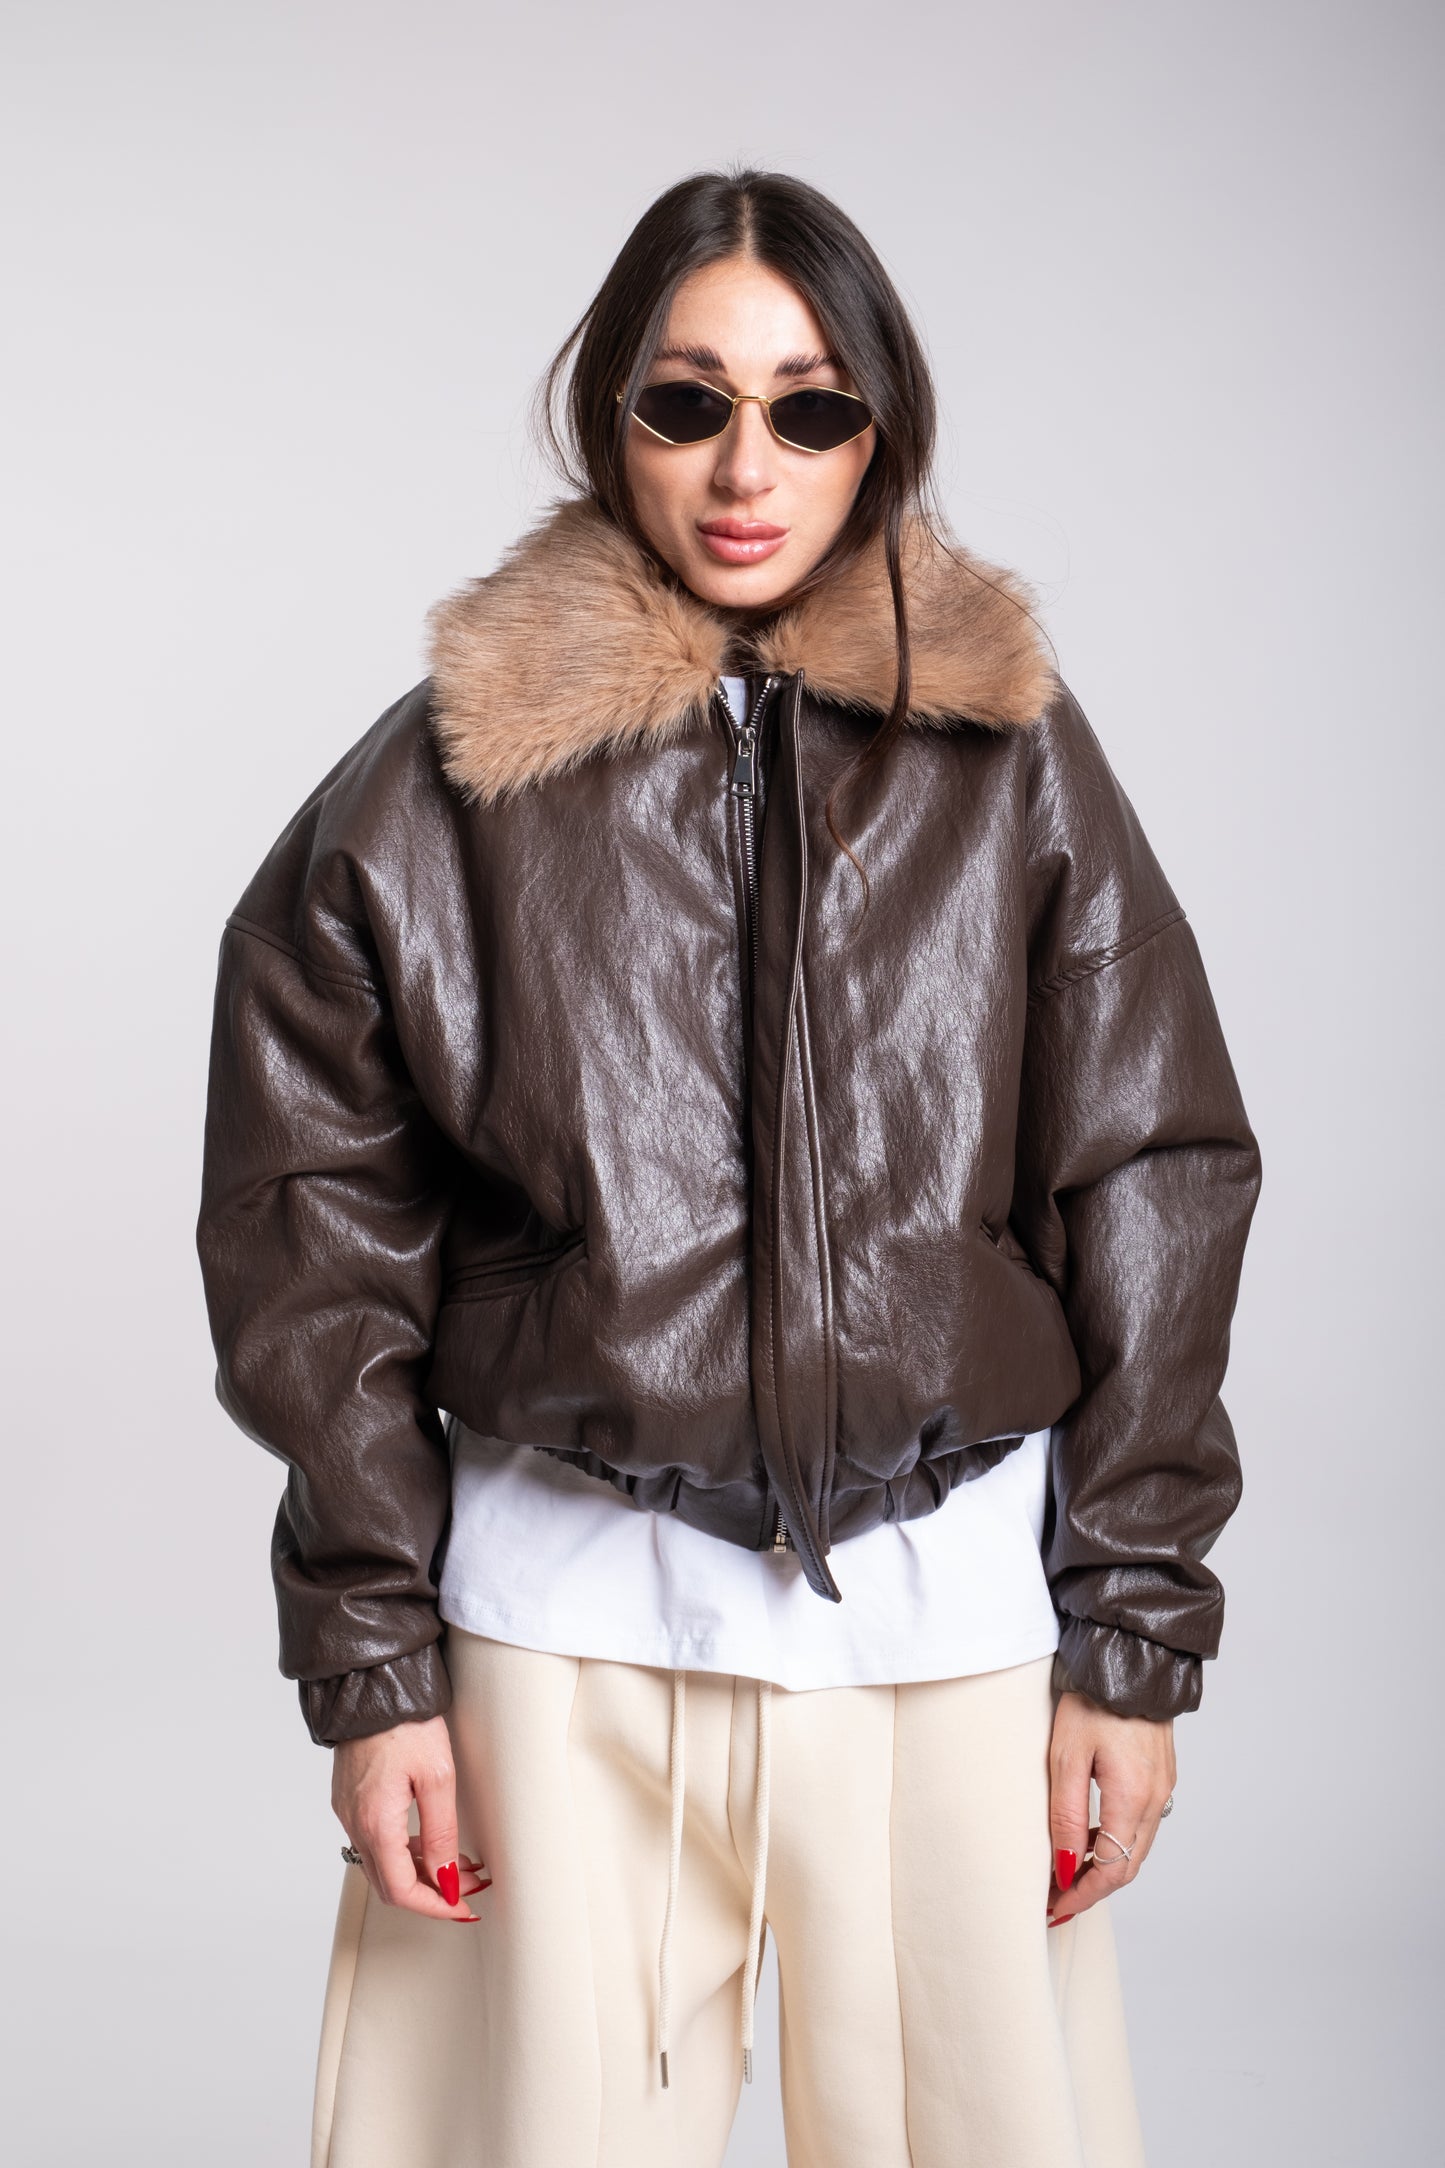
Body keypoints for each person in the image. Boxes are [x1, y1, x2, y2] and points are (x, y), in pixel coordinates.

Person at [196, 166, 1262, 2168]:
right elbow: (308, 1224)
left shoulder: (1010, 756)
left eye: (809, 404)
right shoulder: (447, 776)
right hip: (556, 1629)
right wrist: (376, 1668)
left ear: (880, 428)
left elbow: (1154, 1170)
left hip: (942, 1622)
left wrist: (1130, 1639)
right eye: (687, 402)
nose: (745, 466)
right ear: (611, 411)